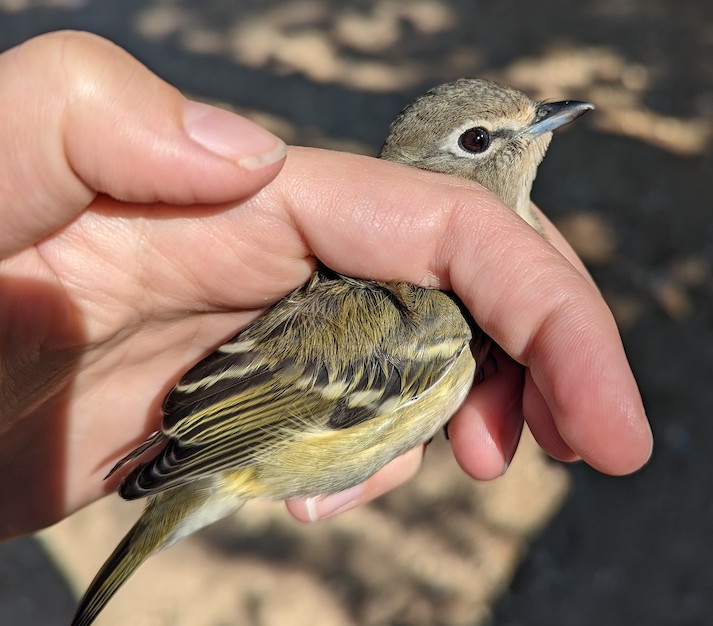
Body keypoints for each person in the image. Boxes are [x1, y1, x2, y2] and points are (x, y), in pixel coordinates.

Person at [0, 30, 651, 543]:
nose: (537, 129)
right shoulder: (439, 323)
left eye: (527, 122)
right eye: (481, 140)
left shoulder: (416, 298)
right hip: (237, 438)